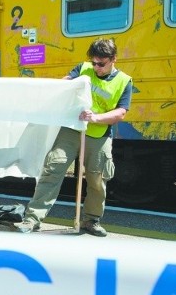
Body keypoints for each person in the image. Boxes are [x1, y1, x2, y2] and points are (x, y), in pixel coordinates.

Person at [16, 38, 132, 236]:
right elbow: (64, 86)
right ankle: (32, 219)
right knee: (53, 167)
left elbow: (121, 112)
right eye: (94, 62)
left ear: (114, 59)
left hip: (99, 133)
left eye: (101, 64)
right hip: (71, 129)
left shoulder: (124, 81)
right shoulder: (83, 68)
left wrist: (95, 117)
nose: (96, 67)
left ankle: (91, 221)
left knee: (97, 179)